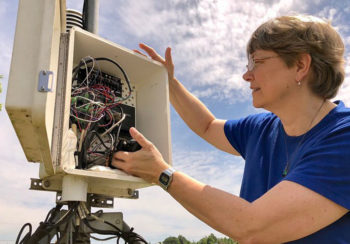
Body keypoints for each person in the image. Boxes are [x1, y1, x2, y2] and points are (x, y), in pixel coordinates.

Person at [112, 15, 350, 243]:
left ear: (300, 65)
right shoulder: (261, 129)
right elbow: (207, 126)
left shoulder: (343, 137)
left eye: (257, 62)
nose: (247, 75)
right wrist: (169, 83)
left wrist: (163, 175)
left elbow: (252, 227)